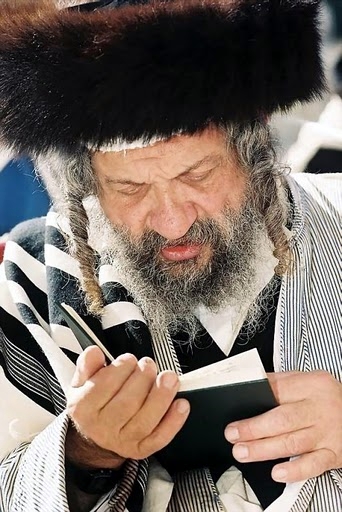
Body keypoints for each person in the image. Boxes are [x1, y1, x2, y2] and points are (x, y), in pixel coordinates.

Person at [0, 1, 341, 511]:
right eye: (129, 189)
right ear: (86, 181)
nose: (172, 221)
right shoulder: (32, 273)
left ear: (254, 148)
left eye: (197, 176)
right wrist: (86, 453)